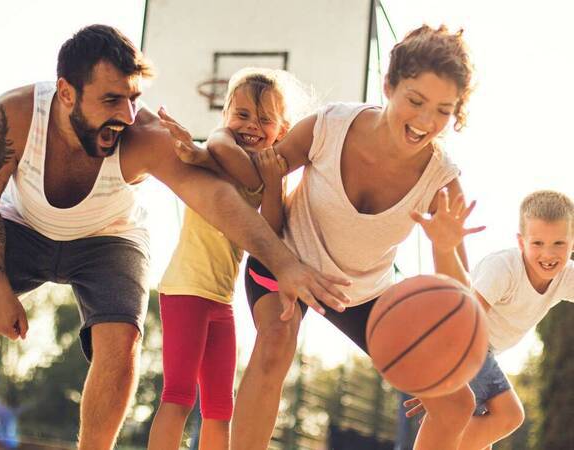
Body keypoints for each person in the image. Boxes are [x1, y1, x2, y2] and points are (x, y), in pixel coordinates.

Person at [0, 25, 350, 450]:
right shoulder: (15, 115)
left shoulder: (143, 135)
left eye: (133, 99)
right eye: (111, 100)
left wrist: (285, 263)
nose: (126, 115)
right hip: (21, 227)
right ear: (66, 93)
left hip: (108, 240)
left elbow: (217, 199)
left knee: (121, 340)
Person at [164, 24, 486, 450]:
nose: (426, 121)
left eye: (444, 110)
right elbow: (260, 173)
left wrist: (445, 248)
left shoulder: (442, 181)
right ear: (389, 86)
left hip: (362, 291)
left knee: (456, 403)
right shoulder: (329, 126)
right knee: (276, 341)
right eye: (416, 101)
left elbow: (458, 297)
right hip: (287, 260)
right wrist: (208, 151)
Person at [148, 68, 299, 450]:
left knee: (219, 407)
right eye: (242, 114)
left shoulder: (261, 175)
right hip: (185, 289)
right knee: (179, 394)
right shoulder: (217, 148)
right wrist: (195, 152)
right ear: (226, 116)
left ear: (282, 130)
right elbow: (219, 150)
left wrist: (274, 182)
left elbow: (271, 232)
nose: (251, 125)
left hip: (220, 300)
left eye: (265, 119)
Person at [404, 190, 574, 449]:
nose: (548, 255)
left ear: (571, 244)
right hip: (461, 342)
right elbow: (462, 319)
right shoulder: (504, 269)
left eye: (558, 244)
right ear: (521, 242)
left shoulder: (564, 276)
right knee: (509, 414)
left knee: (485, 435)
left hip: (482, 351)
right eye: (537, 243)